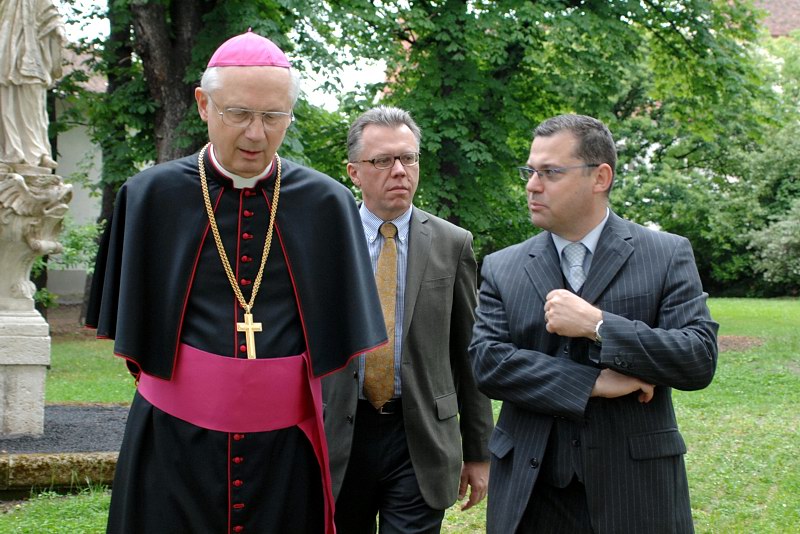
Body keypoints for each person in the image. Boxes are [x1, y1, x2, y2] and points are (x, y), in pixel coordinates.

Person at [86, 31, 387, 534]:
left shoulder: (326, 204)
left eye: (273, 117)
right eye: (239, 114)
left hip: (284, 452)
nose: (256, 134)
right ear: (204, 105)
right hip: (173, 441)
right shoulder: (150, 197)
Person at [469, 114, 719, 534]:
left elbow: (698, 357)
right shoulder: (502, 266)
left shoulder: (666, 254)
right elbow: (488, 363)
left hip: (635, 493)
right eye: (530, 172)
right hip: (532, 495)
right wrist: (592, 384)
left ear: (600, 177)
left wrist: (599, 325)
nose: (532, 185)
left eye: (550, 172)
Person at [323, 106, 494, 533]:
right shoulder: (326, 241)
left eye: (408, 158)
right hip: (340, 432)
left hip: (419, 436)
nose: (399, 170)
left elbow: (469, 353)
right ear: (354, 172)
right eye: (383, 160)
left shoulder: (452, 244)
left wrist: (478, 451)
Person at [0, 0, 65, 173]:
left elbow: (48, 10)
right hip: (5, 49)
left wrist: (57, 27)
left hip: (31, 51)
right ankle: (10, 152)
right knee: (5, 103)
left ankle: (37, 152)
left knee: (34, 105)